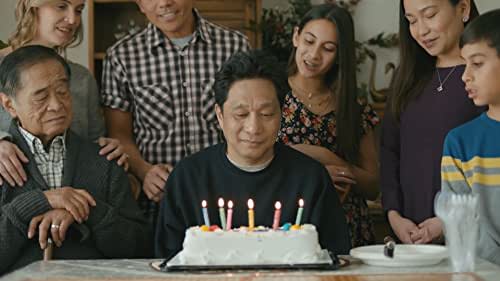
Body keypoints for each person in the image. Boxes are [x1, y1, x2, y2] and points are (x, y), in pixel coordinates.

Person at [155, 50, 351, 259]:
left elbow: (334, 258)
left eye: (266, 114)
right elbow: (167, 262)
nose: (253, 127)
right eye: (241, 114)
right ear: (220, 116)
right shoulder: (188, 178)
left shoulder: (311, 179)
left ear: (282, 114)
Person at [0, 45, 152, 275]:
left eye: (62, 92)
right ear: (9, 104)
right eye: (41, 97)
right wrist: (40, 201)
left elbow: (138, 248)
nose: (56, 105)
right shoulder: (2, 164)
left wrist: (87, 210)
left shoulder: (105, 160)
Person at [101, 0, 250, 225]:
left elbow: (249, 120)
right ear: (140, 4)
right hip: (157, 205)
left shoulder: (235, 46)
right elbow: (119, 134)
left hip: (225, 198)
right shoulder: (121, 56)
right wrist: (144, 172)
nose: (165, 3)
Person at [380, 0, 484, 244]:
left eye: (430, 15)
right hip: (409, 235)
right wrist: (394, 215)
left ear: (464, 8)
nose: (421, 30)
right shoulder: (407, 76)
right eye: (412, 21)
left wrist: (448, 220)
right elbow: (389, 150)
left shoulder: (487, 76)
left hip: (471, 237)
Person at [278, 4, 379, 247]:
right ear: (296, 37)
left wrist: (339, 167)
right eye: (309, 41)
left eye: (328, 48)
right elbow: (254, 157)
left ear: (339, 55)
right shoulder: (271, 94)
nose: (314, 55)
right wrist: (320, 160)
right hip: (287, 222)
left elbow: (373, 185)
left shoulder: (354, 108)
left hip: (346, 225)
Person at [0, 0, 128, 188]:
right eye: (61, 6)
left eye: (79, 10)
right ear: (33, 5)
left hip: (78, 205)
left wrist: (110, 149)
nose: (72, 19)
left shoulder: (82, 78)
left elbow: (94, 141)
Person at [441, 9, 500, 265]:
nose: (465, 76)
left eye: (477, 63)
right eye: (464, 64)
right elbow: (460, 228)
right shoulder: (460, 144)